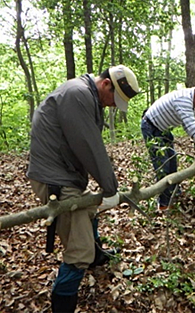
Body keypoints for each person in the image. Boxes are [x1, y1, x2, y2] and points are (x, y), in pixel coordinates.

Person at [26, 65, 140, 312]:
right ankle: (62, 305)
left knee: (90, 211)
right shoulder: (77, 94)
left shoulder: (85, 95)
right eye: (114, 98)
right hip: (56, 180)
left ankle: (97, 256)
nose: (112, 105)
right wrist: (110, 188)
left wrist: (106, 187)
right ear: (106, 84)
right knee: (79, 252)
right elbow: (89, 146)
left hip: (65, 175)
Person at [141, 85, 195, 211]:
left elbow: (187, 126)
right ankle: (164, 205)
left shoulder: (189, 99)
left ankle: (175, 196)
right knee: (163, 167)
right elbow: (192, 128)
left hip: (163, 130)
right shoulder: (183, 99)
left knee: (173, 164)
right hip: (151, 128)